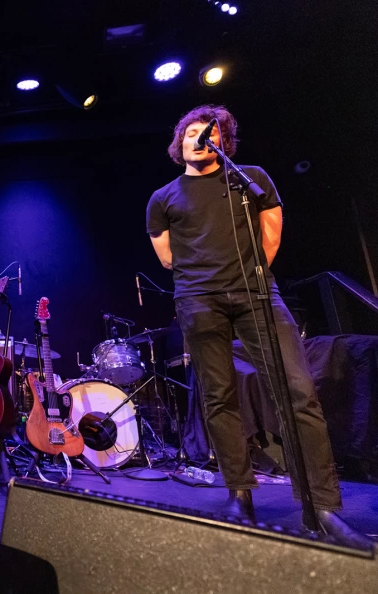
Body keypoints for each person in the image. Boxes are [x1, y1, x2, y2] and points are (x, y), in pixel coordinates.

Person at [145, 105, 358, 539]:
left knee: (298, 391)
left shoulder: (252, 179)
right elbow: (167, 257)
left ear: (223, 141)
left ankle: (322, 506)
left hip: (258, 296)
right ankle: (239, 494)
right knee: (219, 397)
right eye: (191, 132)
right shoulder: (163, 198)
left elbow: (270, 235)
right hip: (198, 302)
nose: (199, 137)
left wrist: (249, 279)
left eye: (210, 131)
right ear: (180, 141)